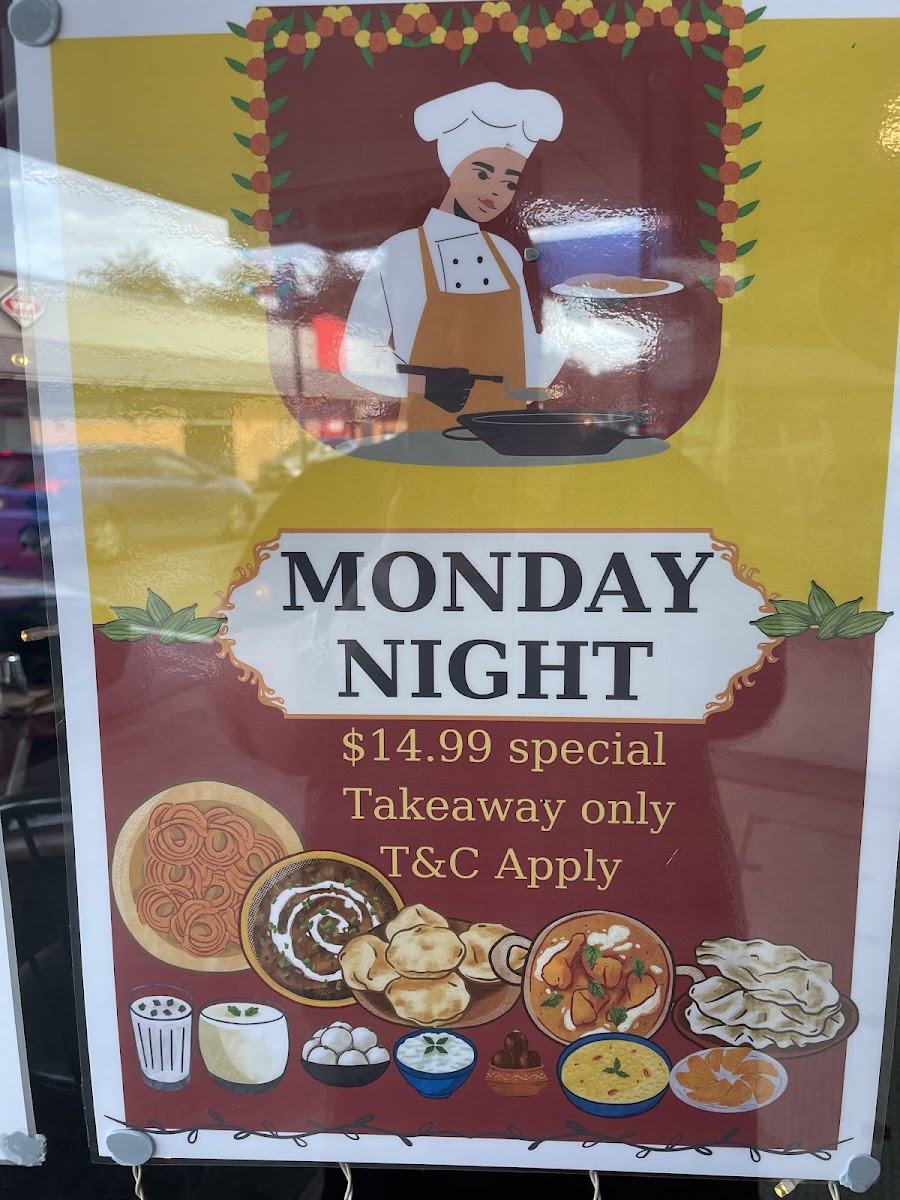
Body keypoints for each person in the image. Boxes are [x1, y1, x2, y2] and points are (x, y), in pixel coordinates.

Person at [340, 82, 566, 432]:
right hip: (430, 438)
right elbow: (356, 356)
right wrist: (424, 385)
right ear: (453, 168)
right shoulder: (400, 251)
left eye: (510, 182)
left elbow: (525, 363)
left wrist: (578, 316)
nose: (496, 190)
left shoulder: (506, 255)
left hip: (506, 435)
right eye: (482, 173)